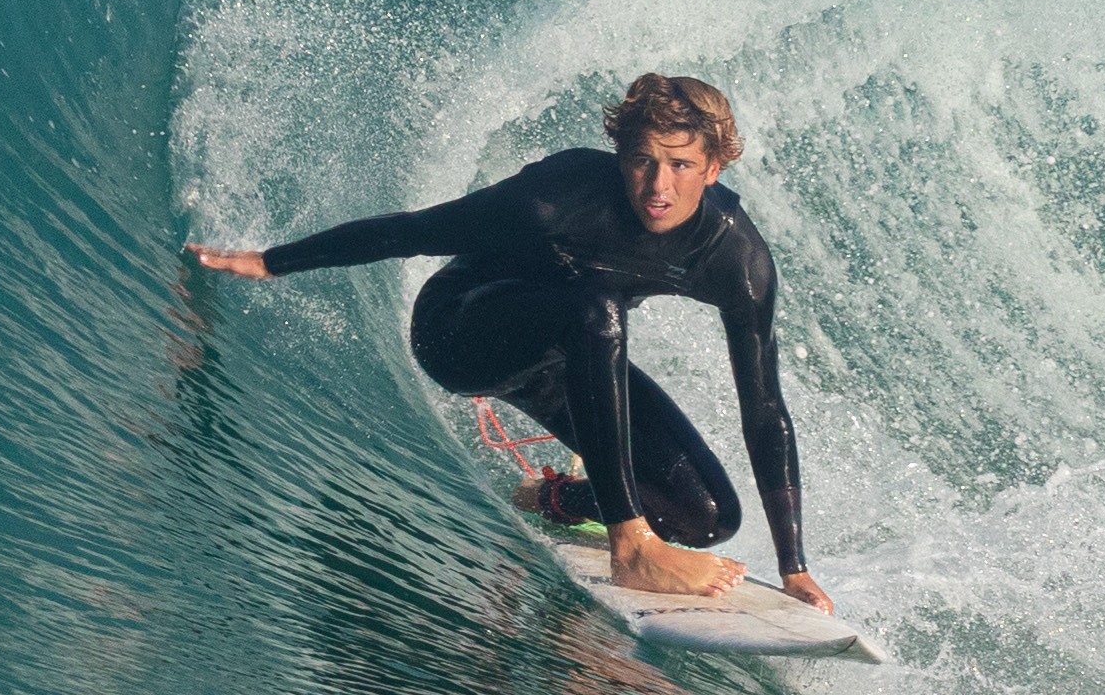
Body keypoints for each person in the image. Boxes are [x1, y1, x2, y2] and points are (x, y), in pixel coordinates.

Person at [189, 72, 828, 612]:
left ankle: (553, 496)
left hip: (566, 360)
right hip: (463, 331)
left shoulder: (736, 259)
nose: (658, 186)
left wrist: (793, 566)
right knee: (596, 306)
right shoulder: (559, 199)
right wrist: (269, 261)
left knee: (708, 517)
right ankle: (630, 545)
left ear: (713, 169)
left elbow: (765, 408)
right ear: (621, 156)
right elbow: (414, 231)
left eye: (681, 165)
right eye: (643, 161)